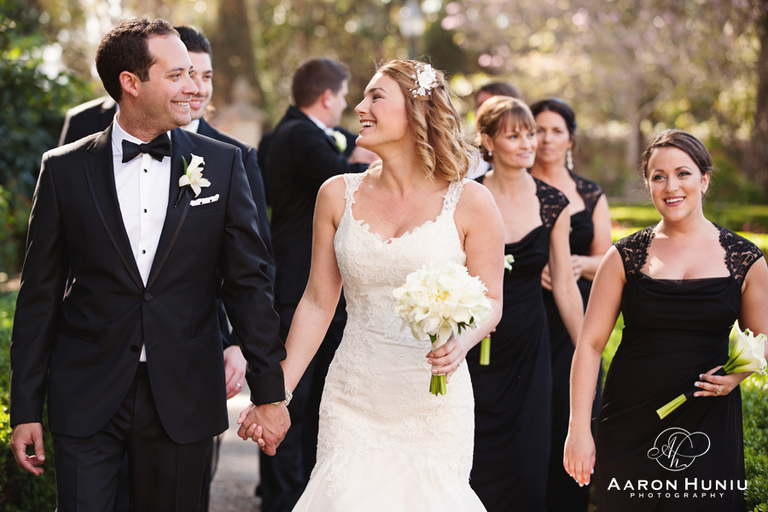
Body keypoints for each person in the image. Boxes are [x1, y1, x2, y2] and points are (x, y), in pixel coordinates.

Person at [8, 19, 289, 511]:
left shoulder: (223, 164)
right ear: (131, 83)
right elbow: (39, 296)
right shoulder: (63, 169)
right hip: (87, 394)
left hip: (184, 395)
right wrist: (25, 408)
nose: (193, 87)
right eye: (177, 75)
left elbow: (248, 284)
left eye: (193, 74)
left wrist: (269, 395)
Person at [256, 59, 504, 510]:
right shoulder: (336, 194)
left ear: (417, 110)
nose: (359, 106)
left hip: (433, 401)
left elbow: (491, 298)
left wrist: (462, 342)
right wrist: (278, 396)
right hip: (353, 396)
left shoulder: (471, 201)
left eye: (375, 96)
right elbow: (317, 303)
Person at [565, 130, 768, 511]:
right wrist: (578, 429)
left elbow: (763, 338)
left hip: (707, 420)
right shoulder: (623, 256)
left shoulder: (745, 259)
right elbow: (590, 345)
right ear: (649, 185)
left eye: (683, 174)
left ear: (704, 180)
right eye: (658, 176)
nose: (671, 186)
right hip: (629, 420)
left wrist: (736, 377)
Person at [259, 57, 376, 512]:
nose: (347, 106)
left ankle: (306, 495)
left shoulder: (298, 133)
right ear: (327, 96)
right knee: (294, 400)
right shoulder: (299, 136)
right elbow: (349, 179)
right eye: (344, 96)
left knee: (314, 404)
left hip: (314, 285)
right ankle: (283, 500)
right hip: (298, 285)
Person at [467, 96, 584, 512]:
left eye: (529, 134)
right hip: (471, 343)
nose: (528, 143)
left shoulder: (554, 203)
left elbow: (565, 287)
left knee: (527, 458)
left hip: (529, 347)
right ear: (487, 141)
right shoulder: (465, 196)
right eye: (514, 136)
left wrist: (588, 351)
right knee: (472, 452)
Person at [528, 98, 612, 512]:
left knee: (569, 407)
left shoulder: (589, 193)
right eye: (538, 130)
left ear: (570, 139)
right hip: (526, 314)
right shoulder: (511, 186)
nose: (546, 139)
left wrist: (577, 265)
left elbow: (607, 260)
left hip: (573, 318)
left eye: (556, 131)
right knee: (529, 414)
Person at [466, 81, 522, 180]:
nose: (485, 112)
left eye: (493, 107)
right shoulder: (464, 154)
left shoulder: (526, 156)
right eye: (480, 106)